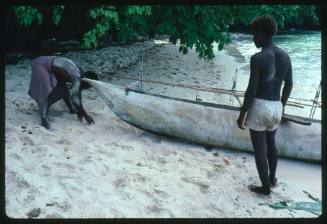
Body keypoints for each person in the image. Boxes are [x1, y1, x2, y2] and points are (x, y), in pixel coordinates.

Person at [237, 16, 293, 195]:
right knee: (272, 143)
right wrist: (282, 105)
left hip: (261, 106)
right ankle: (272, 179)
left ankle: (265, 188)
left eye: (254, 34)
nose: (253, 38)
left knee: (260, 150)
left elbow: (252, 90)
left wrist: (242, 113)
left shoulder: (258, 58)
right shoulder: (285, 56)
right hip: (277, 106)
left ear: (263, 34)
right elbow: (289, 84)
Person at [28, 56, 99, 129]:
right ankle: (44, 119)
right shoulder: (76, 76)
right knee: (47, 93)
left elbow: (77, 94)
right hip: (41, 65)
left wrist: (79, 110)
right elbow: (75, 99)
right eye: (88, 87)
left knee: (64, 89)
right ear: (85, 82)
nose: (87, 88)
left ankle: (71, 109)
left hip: (53, 68)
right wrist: (85, 115)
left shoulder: (80, 74)